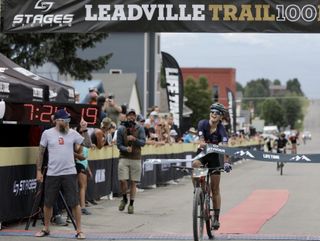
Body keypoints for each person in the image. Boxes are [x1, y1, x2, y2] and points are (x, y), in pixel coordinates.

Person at [35, 109, 85, 239]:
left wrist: (84, 130)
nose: (67, 121)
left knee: (74, 203)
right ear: (57, 120)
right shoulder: (47, 133)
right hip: (52, 173)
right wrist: (38, 171)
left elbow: (88, 145)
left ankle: (79, 230)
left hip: (69, 172)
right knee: (48, 203)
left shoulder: (73, 133)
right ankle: (46, 228)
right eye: (64, 119)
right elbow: (40, 152)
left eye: (68, 119)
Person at [192, 103, 232, 231]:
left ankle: (216, 218)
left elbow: (225, 148)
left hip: (214, 156)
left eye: (217, 113)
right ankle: (198, 189)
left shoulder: (222, 130)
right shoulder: (202, 124)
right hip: (202, 154)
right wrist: (202, 143)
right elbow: (201, 140)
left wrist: (226, 162)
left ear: (221, 117)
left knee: (215, 189)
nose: (214, 114)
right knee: (195, 165)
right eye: (212, 112)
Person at [117, 108, 146, 214]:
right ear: (126, 116)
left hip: (136, 158)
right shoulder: (121, 129)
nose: (131, 117)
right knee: (123, 180)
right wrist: (125, 148)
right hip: (124, 157)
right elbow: (118, 145)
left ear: (135, 117)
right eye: (129, 115)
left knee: (133, 182)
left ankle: (131, 204)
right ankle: (124, 198)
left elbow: (143, 142)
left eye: (133, 115)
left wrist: (135, 140)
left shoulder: (140, 128)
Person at [75, 126, 93, 216]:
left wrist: (88, 170)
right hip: (79, 165)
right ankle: (82, 207)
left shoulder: (85, 143)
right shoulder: (77, 143)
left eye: (84, 132)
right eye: (81, 132)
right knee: (82, 186)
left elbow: (86, 159)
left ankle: (82, 205)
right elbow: (77, 153)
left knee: (84, 187)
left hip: (84, 165)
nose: (83, 134)